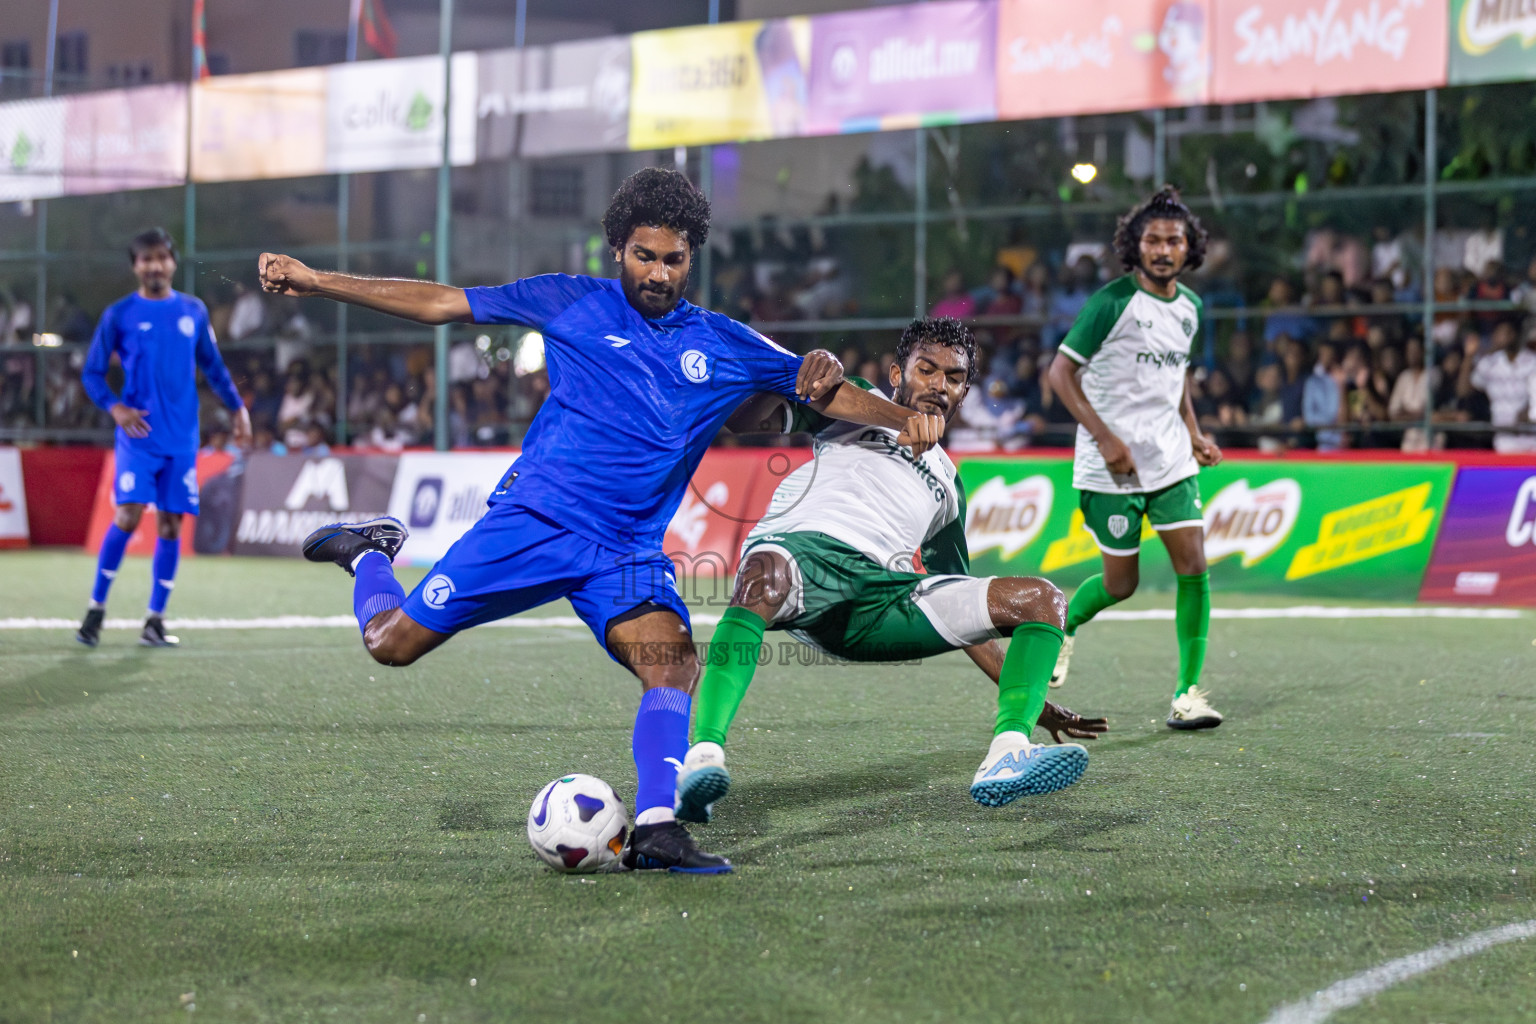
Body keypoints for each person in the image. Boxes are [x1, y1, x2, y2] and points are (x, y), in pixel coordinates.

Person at [257, 167, 939, 874]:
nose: (659, 272)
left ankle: (656, 828)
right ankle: (371, 554)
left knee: (673, 661)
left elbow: (822, 390)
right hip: (535, 523)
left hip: (626, 553)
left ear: (691, 258)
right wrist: (317, 281)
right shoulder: (567, 301)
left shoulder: (724, 341)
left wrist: (903, 420)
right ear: (617, 248)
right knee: (390, 644)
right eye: (645, 255)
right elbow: (441, 302)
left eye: (674, 259)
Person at [674, 318, 1109, 824]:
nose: (939, 385)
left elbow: (965, 615)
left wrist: (1031, 700)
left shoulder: (950, 484)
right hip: (805, 558)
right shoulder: (853, 401)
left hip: (883, 602)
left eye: (953, 376)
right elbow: (747, 418)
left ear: (965, 391)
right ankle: (704, 756)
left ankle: (1007, 752)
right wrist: (798, 371)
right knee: (763, 576)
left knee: (1043, 599)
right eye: (927, 370)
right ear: (897, 372)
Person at [1044, 186, 1224, 728]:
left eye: (1174, 240)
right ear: (1136, 245)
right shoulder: (1111, 303)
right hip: (1111, 465)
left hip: (1170, 461)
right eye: (1153, 240)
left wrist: (1192, 431)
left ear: (1188, 247)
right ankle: (1065, 626)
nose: (1164, 249)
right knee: (1122, 584)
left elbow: (1177, 379)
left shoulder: (1191, 307)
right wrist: (1103, 438)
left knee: (1194, 567)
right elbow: (1060, 373)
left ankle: (1188, 694)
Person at [76, 228, 251, 648]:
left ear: (172, 262)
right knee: (128, 516)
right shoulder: (119, 314)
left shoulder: (193, 311)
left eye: (161, 257)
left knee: (171, 525)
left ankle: (155, 619)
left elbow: (213, 367)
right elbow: (92, 372)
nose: (154, 265)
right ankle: (95, 609)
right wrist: (115, 407)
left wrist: (237, 407)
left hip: (182, 437)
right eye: (145, 259)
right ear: (136, 266)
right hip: (138, 433)